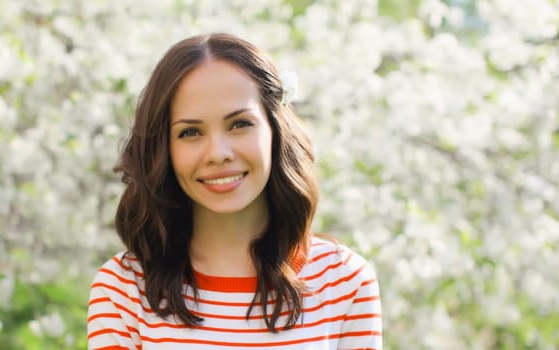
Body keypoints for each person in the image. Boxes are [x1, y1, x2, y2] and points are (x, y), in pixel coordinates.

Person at [87, 32, 382, 350]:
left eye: (239, 124)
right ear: (164, 149)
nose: (218, 153)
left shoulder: (344, 281)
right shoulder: (124, 288)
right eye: (190, 132)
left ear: (274, 129)